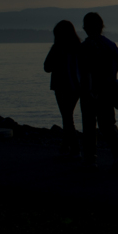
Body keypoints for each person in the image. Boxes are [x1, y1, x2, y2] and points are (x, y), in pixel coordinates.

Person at [79, 12, 118, 170]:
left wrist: (89, 90)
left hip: (92, 91)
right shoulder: (111, 45)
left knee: (89, 126)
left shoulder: (87, 46)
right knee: (107, 124)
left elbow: (86, 71)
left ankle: (90, 158)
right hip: (110, 88)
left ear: (86, 27)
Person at [44, 20, 81, 158]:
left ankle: (74, 148)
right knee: (68, 116)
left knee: (67, 117)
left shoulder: (57, 48)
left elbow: (47, 67)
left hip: (61, 85)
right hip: (76, 86)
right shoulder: (79, 47)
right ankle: (65, 146)